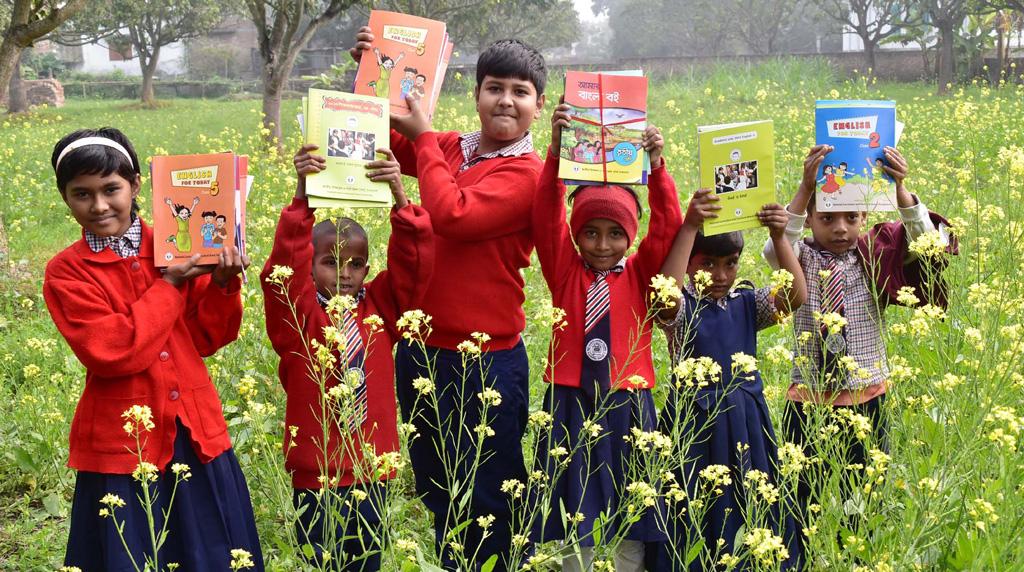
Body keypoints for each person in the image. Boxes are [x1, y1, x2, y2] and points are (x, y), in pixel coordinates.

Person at [352, 32, 547, 570]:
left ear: (539, 105)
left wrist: (423, 139)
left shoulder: (529, 175)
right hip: (420, 350)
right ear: (476, 94)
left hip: (486, 360)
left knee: (490, 489)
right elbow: (393, 137)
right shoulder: (453, 146)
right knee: (439, 486)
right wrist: (376, 77)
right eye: (494, 88)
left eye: (520, 91)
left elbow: (453, 214)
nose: (505, 100)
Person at [43, 128, 262, 570]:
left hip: (194, 432)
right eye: (81, 194)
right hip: (123, 444)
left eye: (111, 189)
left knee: (212, 552)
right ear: (65, 198)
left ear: (137, 185)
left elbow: (205, 339)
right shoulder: (66, 271)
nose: (99, 205)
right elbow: (115, 350)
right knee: (131, 550)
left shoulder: (177, 244)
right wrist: (171, 285)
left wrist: (221, 285)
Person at [763, 144, 956, 562]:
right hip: (809, 398)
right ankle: (802, 558)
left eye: (852, 217)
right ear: (811, 219)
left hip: (868, 395)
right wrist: (804, 188)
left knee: (864, 492)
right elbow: (773, 248)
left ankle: (857, 557)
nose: (840, 229)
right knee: (801, 495)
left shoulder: (874, 256)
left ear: (866, 218)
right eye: (826, 218)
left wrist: (901, 190)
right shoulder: (800, 258)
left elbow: (928, 245)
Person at [261, 144, 434, 571]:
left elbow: (414, 267)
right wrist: (302, 197)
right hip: (316, 471)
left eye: (356, 263)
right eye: (330, 261)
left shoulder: (379, 308)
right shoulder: (299, 311)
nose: (344, 272)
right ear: (309, 265)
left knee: (367, 561)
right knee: (321, 560)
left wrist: (400, 195)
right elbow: (281, 268)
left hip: (372, 468)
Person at [532, 100, 679, 571]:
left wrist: (657, 167)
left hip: (628, 402)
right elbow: (545, 213)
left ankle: (629, 564)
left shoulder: (641, 275)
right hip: (570, 399)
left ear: (630, 236)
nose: (600, 244)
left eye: (615, 233)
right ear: (576, 235)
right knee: (575, 496)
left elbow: (668, 227)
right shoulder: (564, 270)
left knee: (630, 501)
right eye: (590, 232)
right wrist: (556, 152)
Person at [647, 190, 807, 571]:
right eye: (708, 264)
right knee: (696, 501)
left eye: (730, 264)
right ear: (688, 264)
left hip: (747, 422)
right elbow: (664, 297)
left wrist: (780, 237)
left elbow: (795, 295)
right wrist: (688, 227)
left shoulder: (747, 303)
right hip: (695, 421)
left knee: (751, 498)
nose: (720, 275)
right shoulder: (684, 308)